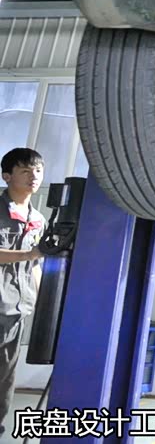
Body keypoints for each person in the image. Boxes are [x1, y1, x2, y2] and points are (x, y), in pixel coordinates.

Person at [0, 148, 46, 436]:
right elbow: (31, 255)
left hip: (18, 310)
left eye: (38, 171)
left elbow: (36, 265)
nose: (34, 176)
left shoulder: (38, 219)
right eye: (25, 171)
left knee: (5, 375)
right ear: (7, 176)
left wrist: (41, 304)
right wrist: (30, 253)